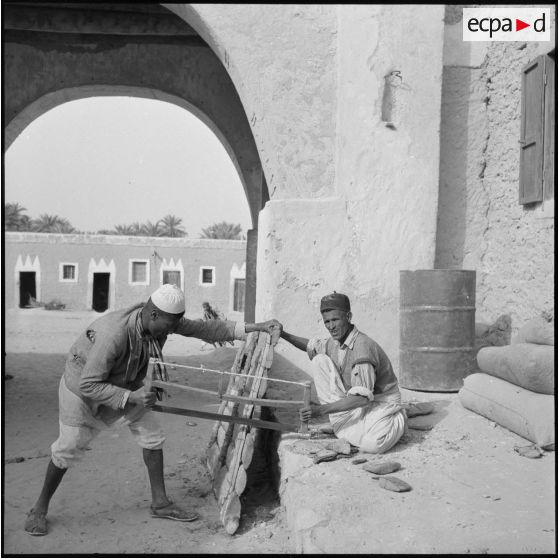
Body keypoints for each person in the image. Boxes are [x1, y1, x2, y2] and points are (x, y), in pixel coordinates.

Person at [24, 284, 282, 536]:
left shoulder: (161, 319)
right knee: (67, 449)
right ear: (153, 314)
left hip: (125, 386)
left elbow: (205, 329)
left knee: (152, 437)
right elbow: (89, 384)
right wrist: (131, 396)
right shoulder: (114, 334)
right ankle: (39, 508)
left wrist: (255, 328)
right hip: (80, 392)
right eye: (168, 327)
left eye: (173, 327)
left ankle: (160, 503)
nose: (168, 333)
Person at [279, 292, 407, 454]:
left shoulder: (362, 348)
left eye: (335, 320)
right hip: (356, 403)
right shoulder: (334, 343)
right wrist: (283, 334)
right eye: (327, 321)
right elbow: (310, 346)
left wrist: (320, 410)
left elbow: (362, 399)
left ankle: (397, 420)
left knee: (372, 446)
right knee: (319, 360)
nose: (331, 326)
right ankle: (348, 426)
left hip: (381, 404)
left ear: (348, 316)